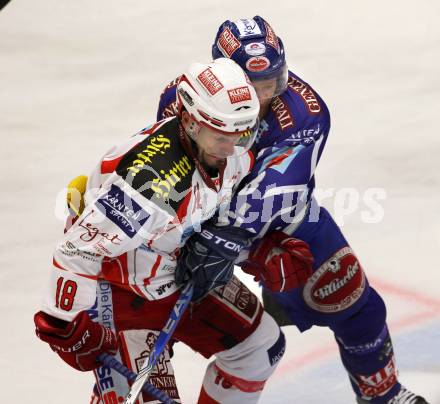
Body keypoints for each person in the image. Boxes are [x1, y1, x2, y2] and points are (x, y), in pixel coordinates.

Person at [157, 17, 429, 404]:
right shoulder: (179, 97)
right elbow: (170, 174)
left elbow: (275, 191)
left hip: (282, 223)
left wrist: (231, 243)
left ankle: (383, 396)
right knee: (150, 317)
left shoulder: (304, 111)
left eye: (272, 82)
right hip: (194, 226)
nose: (264, 97)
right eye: (253, 87)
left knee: (357, 306)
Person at [33, 58, 286, 404]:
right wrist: (65, 326)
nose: (235, 149)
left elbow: (215, 204)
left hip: (178, 273)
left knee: (261, 349)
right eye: (222, 137)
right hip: (121, 293)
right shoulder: (149, 185)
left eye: (245, 132)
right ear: (189, 122)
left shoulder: (227, 147)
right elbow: (77, 251)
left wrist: (252, 248)